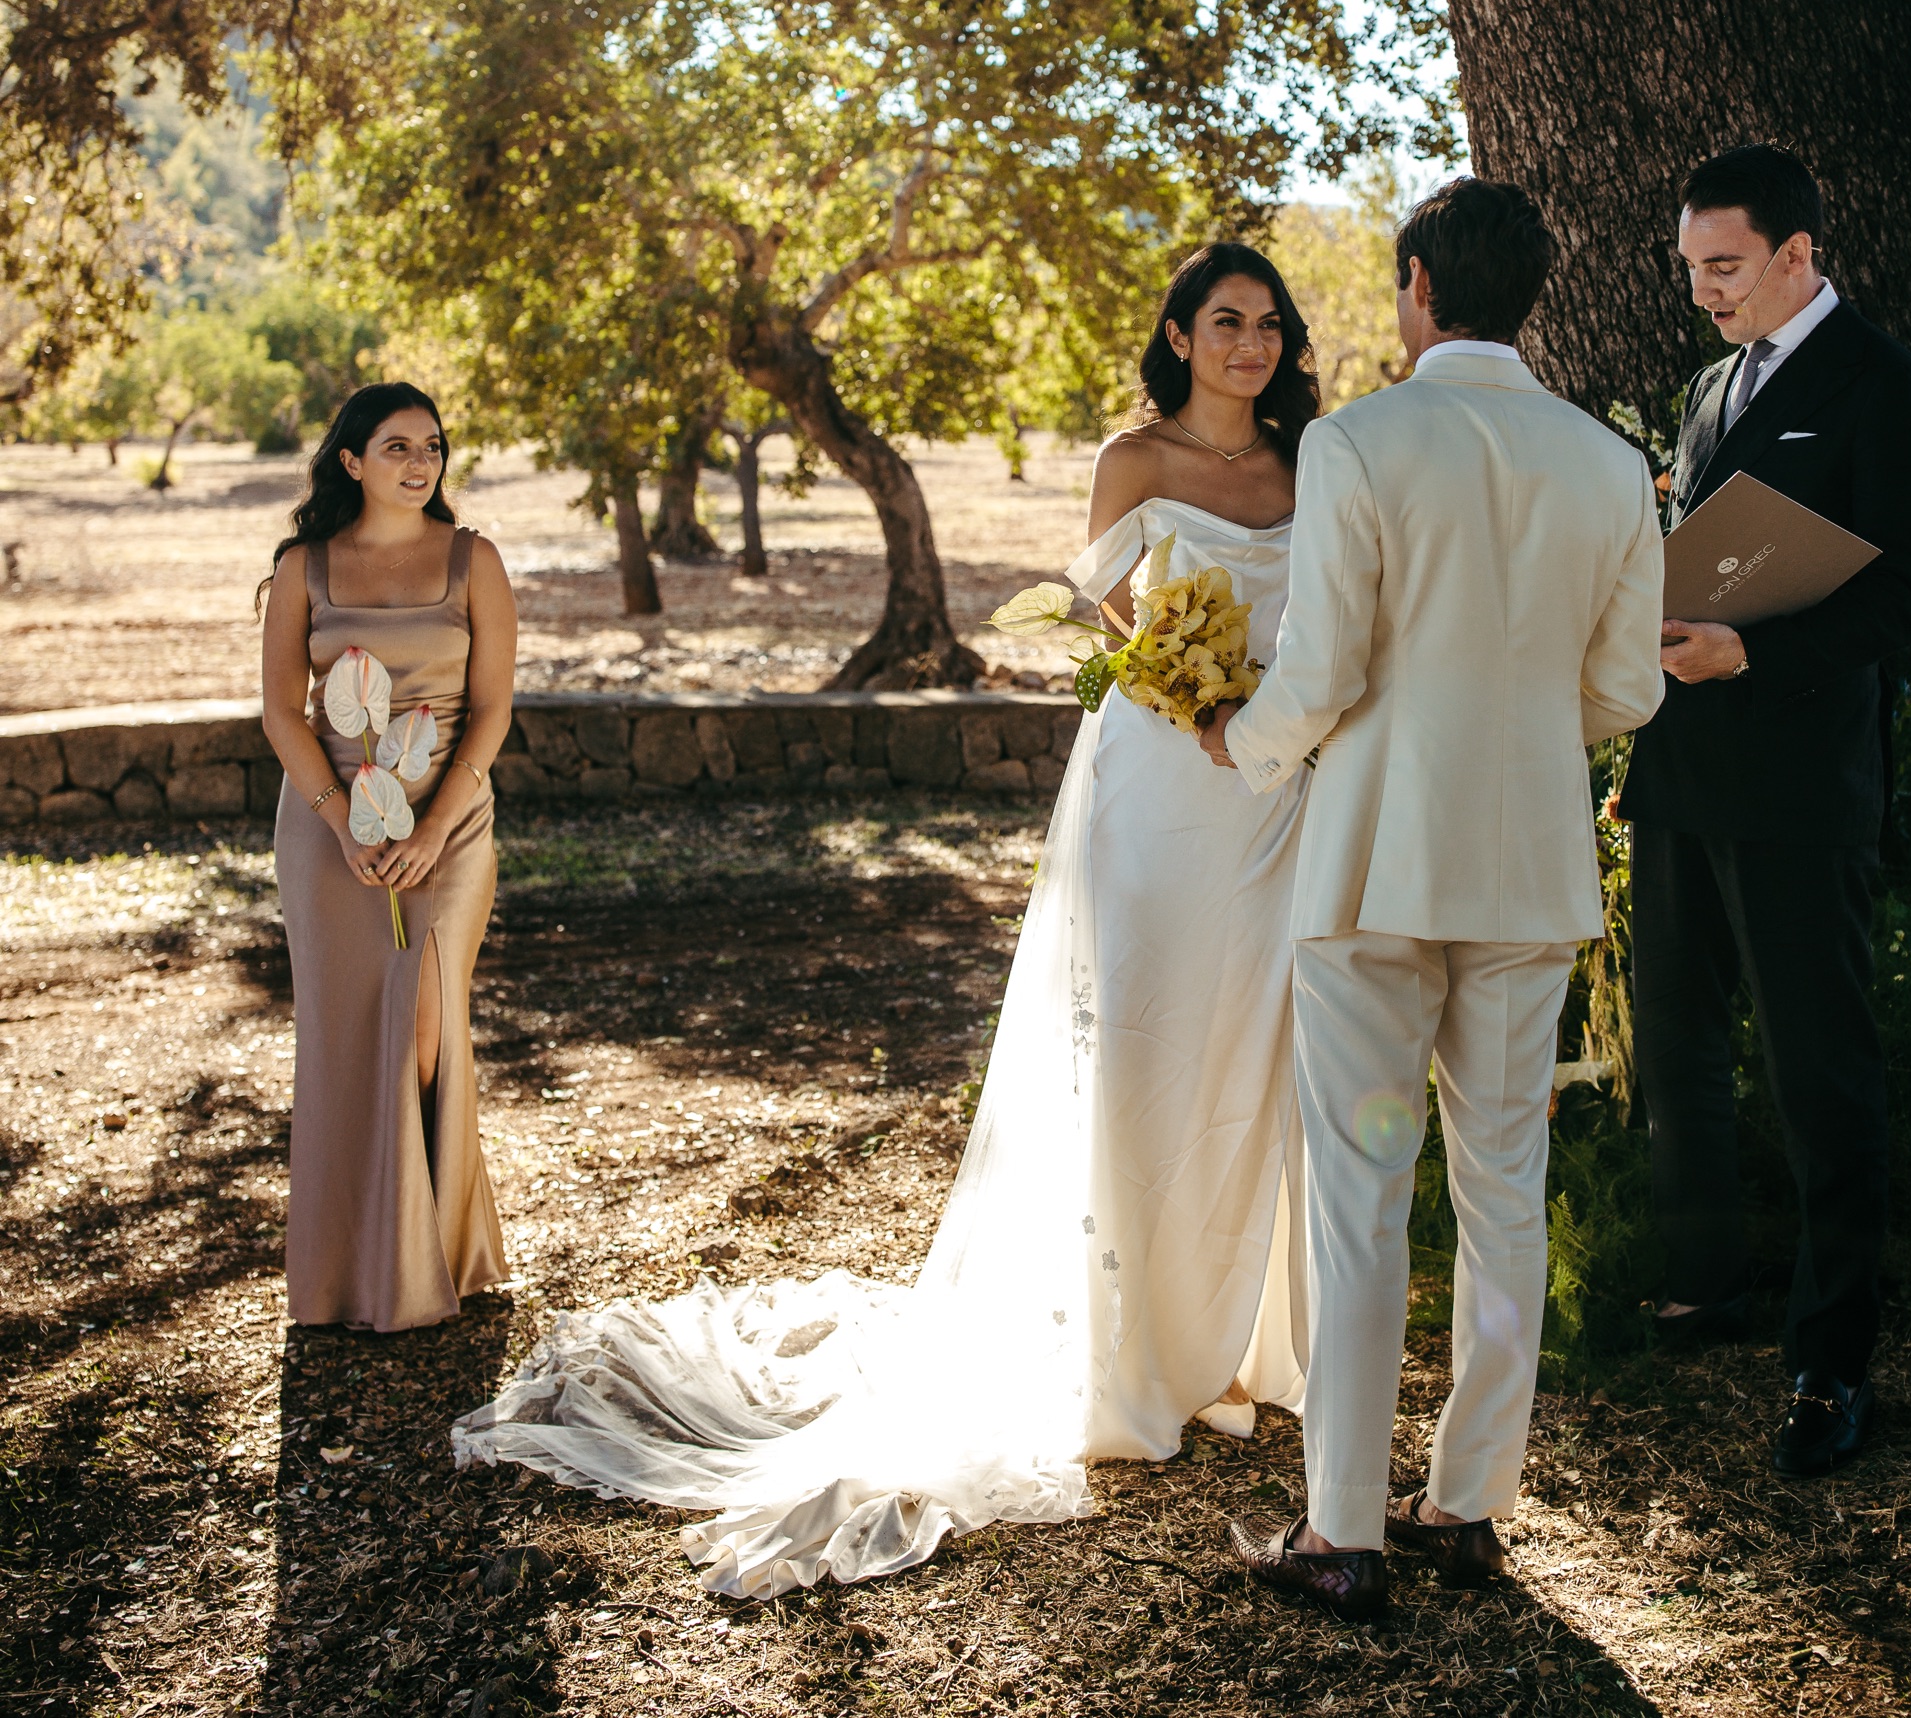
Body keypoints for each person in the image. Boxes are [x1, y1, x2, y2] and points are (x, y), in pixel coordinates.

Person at [451, 243, 1318, 1597]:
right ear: (1176, 332)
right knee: (1144, 1047)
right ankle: (1129, 1344)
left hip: (1274, 801)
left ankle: (1238, 1339)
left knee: (1252, 1053)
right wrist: (1191, 684)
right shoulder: (1132, 462)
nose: (1251, 344)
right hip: (1158, 785)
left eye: (1269, 323)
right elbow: (1122, 627)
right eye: (1226, 320)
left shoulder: (1308, 464)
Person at [1203, 177, 1664, 1622]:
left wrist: (1239, 740)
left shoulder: (1358, 440)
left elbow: (1325, 667)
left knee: (1358, 1192)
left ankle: (1344, 1527)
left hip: (1373, 865)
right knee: (1503, 1185)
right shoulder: (1603, 463)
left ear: (1416, 284)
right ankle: (1469, 1503)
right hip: (1527, 865)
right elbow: (1631, 687)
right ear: (1526, 295)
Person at [1618, 145, 1911, 1474]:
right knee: (1680, 1048)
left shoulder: (1892, 391)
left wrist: (1754, 651)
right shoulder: (1711, 385)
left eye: (1725, 267)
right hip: (1679, 764)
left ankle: (1830, 1360)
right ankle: (1708, 1279)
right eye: (1693, 268)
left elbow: (1909, 597)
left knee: (1822, 1071)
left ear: (1799, 254)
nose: (1704, 293)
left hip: (1805, 786)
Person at [260, 382, 518, 1333]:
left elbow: (490, 713)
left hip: (446, 821)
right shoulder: (305, 567)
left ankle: (423, 1253)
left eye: (434, 446)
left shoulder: (473, 561)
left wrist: (428, 829)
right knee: (345, 1034)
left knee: (424, 1030)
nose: (421, 464)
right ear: (351, 462)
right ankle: (348, 1275)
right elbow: (281, 712)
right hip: (330, 831)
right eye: (398, 447)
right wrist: (338, 821)